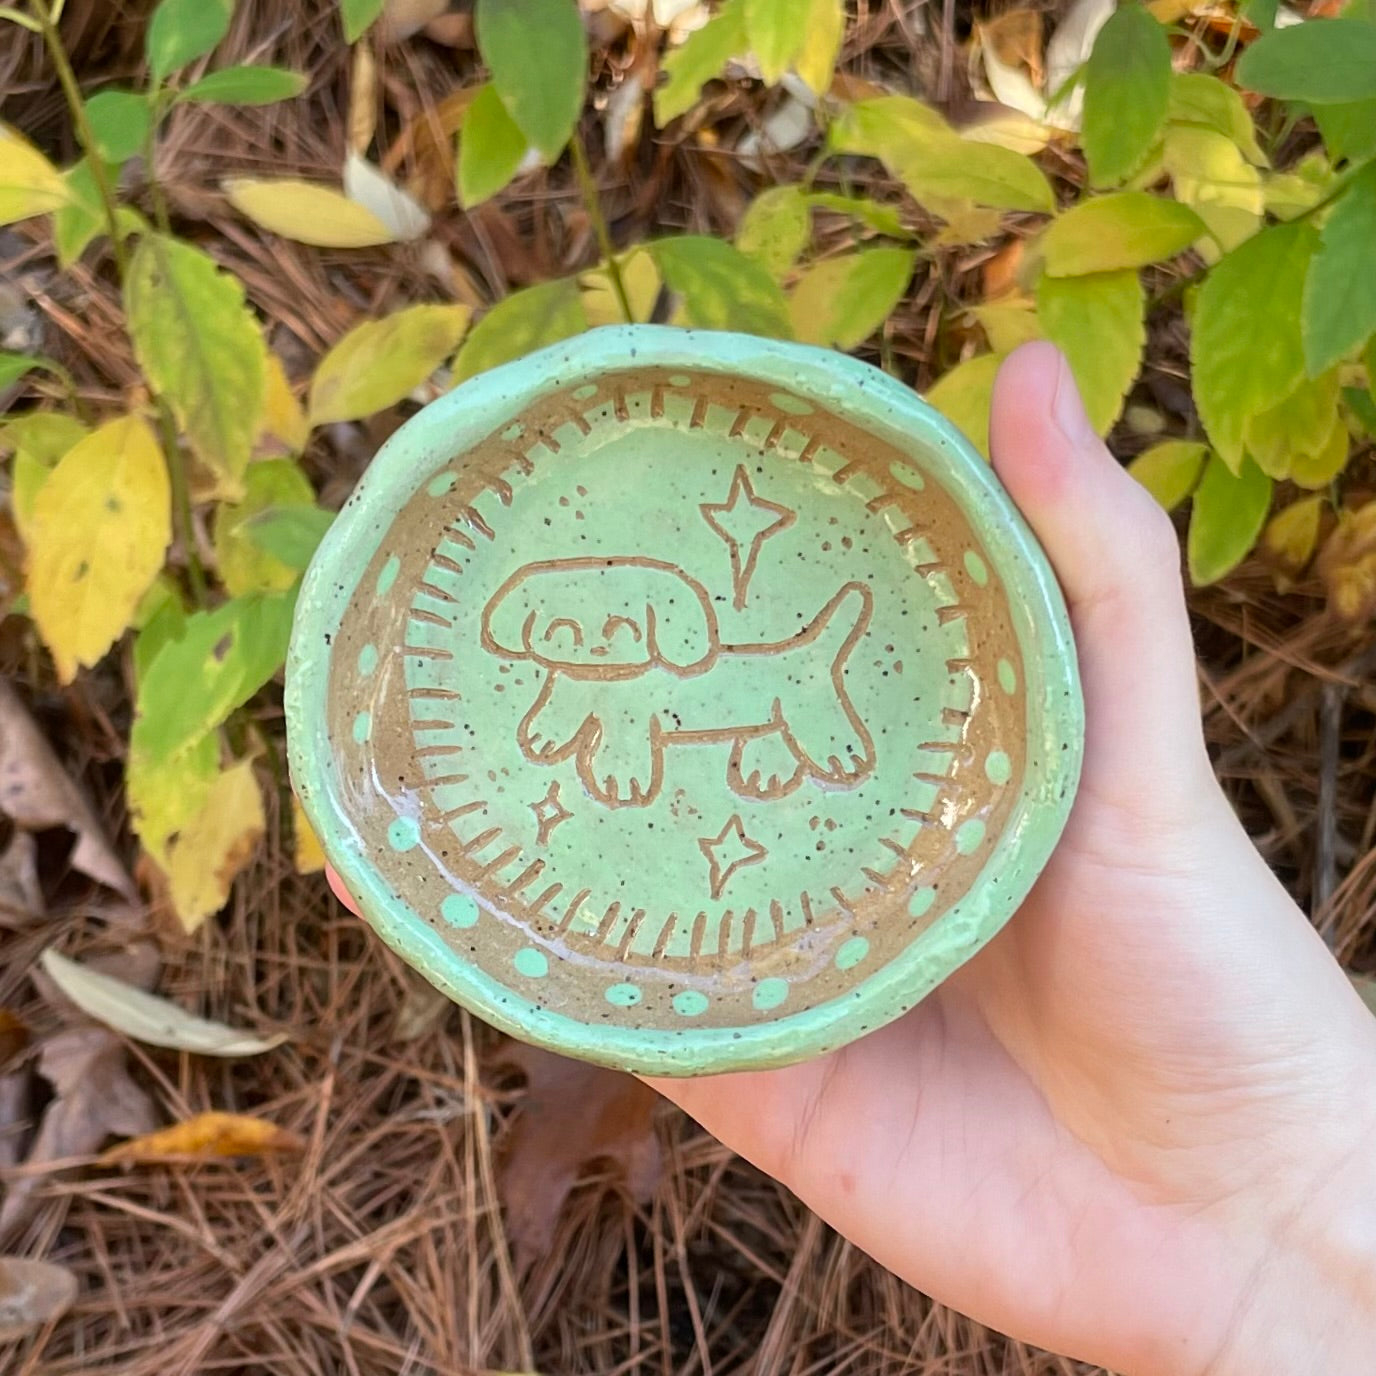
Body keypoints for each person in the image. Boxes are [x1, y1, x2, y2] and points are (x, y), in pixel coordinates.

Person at [329, 342, 1376, 1374]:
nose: (586, 646)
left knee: (799, 719)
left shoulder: (698, 682)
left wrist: (1290, 1197)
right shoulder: (571, 681)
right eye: (562, 630)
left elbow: (619, 731)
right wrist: (1279, 1245)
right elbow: (581, 713)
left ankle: (808, 729)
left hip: (805, 711)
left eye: (612, 628)